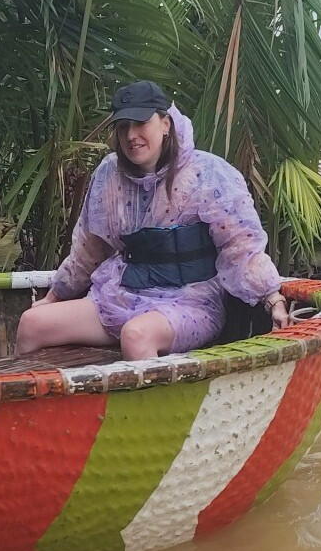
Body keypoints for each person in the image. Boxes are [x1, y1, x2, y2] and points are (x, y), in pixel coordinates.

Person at [15, 80, 289, 360]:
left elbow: (241, 247)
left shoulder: (208, 173)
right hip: (120, 297)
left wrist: (272, 297)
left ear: (165, 124)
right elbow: (89, 250)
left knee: (136, 335)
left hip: (191, 302)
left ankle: (161, 391)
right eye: (123, 126)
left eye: (141, 123)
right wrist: (54, 296)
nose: (131, 135)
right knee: (31, 323)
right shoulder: (109, 174)